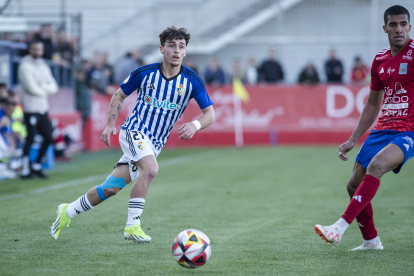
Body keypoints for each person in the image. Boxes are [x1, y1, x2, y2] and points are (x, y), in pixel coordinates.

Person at [50, 26, 215, 243]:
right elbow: (118, 96)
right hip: (133, 132)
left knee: (110, 189)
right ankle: (132, 226)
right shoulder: (144, 73)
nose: (176, 50)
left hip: (154, 144)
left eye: (181, 47)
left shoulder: (191, 80)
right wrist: (110, 125)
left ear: (185, 52)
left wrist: (194, 125)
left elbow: (210, 114)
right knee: (152, 169)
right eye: (171, 45)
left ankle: (67, 211)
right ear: (162, 49)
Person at [314, 5, 414, 251]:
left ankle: (339, 227)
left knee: (377, 165)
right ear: (385, 28)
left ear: (410, 27)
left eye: (403, 24)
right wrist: (353, 139)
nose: (398, 29)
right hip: (383, 128)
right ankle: (371, 241)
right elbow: (372, 103)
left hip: (409, 129)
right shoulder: (380, 60)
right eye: (393, 24)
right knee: (353, 184)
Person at [18, 40, 58, 179]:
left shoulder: (43, 65)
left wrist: (42, 88)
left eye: (39, 49)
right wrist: (45, 88)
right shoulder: (25, 66)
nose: (37, 52)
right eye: (35, 49)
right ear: (30, 50)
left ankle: (36, 165)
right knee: (30, 138)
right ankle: (25, 170)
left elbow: (54, 86)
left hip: (43, 108)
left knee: (48, 137)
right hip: (30, 108)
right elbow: (31, 88)